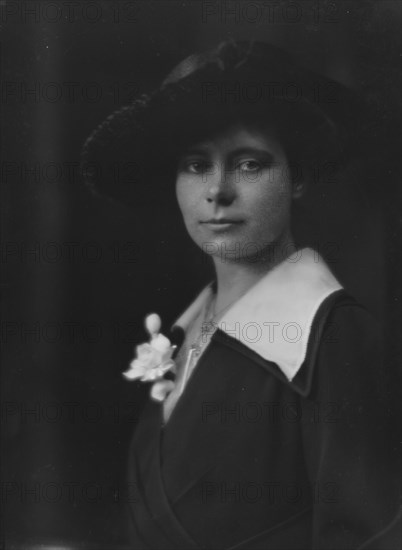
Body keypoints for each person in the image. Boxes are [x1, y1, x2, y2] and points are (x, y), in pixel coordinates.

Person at [81, 40, 399, 550]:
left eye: (249, 164)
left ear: (299, 176)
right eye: (195, 165)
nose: (217, 191)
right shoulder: (178, 338)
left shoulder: (335, 339)